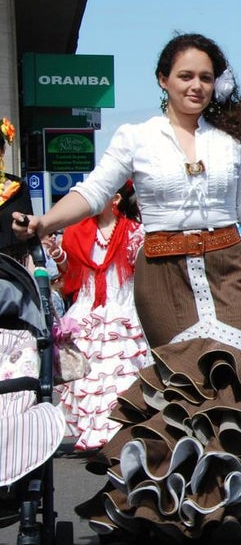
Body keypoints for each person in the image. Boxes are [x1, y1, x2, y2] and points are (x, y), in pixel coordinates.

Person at [12, 33, 241, 543]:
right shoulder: (137, 137)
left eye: (206, 78)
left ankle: (225, 502)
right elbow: (94, 191)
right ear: (163, 81)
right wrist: (44, 223)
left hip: (229, 269)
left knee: (226, 379)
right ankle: (172, 507)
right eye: (186, 76)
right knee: (183, 384)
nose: (196, 86)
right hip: (162, 272)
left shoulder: (230, 142)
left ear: (217, 85)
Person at [47, 181, 149, 452]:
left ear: (114, 199)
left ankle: (120, 436)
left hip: (122, 310)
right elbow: (69, 273)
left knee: (121, 376)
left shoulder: (136, 231)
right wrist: (59, 255)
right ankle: (95, 437)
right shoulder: (76, 231)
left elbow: (142, 271)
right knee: (88, 378)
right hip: (89, 309)